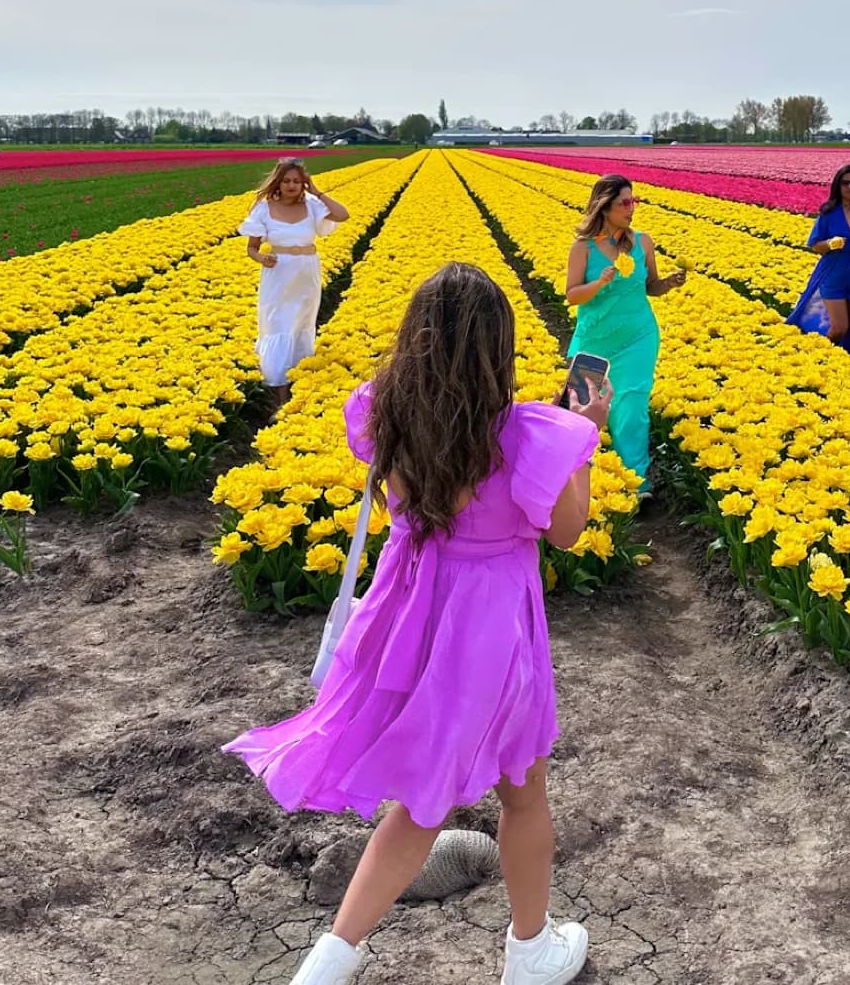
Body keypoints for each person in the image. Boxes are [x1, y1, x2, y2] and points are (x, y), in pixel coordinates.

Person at [223, 263, 614, 985]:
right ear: (499, 349)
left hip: (408, 617)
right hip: (491, 633)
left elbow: (427, 492)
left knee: (422, 796)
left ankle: (327, 963)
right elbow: (566, 531)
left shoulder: (386, 414)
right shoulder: (531, 437)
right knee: (520, 792)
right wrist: (582, 436)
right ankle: (531, 951)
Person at [565, 174, 685, 497]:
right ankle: (584, 489)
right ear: (604, 206)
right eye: (624, 203)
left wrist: (669, 283)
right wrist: (599, 283)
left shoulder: (643, 242)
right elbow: (572, 295)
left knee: (631, 406)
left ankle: (636, 483)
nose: (632, 208)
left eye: (634, 201)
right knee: (583, 412)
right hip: (595, 341)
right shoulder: (583, 248)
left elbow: (651, 286)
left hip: (638, 337)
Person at [238, 158, 350, 409]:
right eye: (287, 180)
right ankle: (279, 395)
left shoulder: (312, 206)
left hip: (306, 273)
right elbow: (252, 248)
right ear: (278, 182)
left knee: (301, 324)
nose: (291, 185)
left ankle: (301, 385)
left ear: (304, 184)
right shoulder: (264, 209)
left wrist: (317, 191)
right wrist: (261, 258)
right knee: (278, 325)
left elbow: (343, 215)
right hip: (278, 274)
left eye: (297, 181)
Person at [786, 163, 850, 356]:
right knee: (840, 327)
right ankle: (817, 355)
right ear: (838, 186)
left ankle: (849, 366)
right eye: (845, 183)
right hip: (834, 271)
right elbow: (815, 244)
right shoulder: (829, 211)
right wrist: (831, 244)